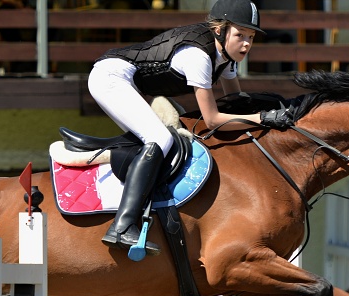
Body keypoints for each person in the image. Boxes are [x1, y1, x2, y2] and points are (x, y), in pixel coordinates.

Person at [87, 0, 294, 255]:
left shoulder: (226, 58)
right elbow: (213, 120)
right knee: (160, 139)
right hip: (110, 77)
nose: (247, 44)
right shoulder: (199, 56)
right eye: (240, 35)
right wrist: (264, 119)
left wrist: (276, 107)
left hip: (130, 83)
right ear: (220, 30)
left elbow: (235, 102)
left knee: (163, 138)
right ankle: (122, 225)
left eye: (251, 37)